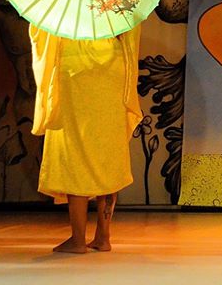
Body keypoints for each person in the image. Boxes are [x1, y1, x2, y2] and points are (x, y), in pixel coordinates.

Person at [30, 24, 143, 253]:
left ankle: (78, 239)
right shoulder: (114, 0)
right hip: (112, 59)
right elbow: (130, 25)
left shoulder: (66, 1)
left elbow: (44, 27)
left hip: (75, 60)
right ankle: (103, 236)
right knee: (108, 149)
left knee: (76, 147)